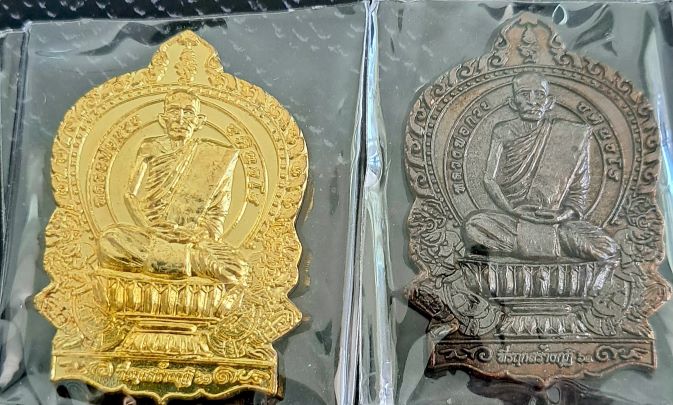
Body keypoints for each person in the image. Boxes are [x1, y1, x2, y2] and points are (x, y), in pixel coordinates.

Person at [98, 89, 248, 284]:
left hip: (191, 239)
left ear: (199, 121)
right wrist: (150, 228)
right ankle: (189, 262)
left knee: (236, 266)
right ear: (163, 119)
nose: (180, 119)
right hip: (150, 235)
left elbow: (217, 214)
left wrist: (197, 234)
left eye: (188, 112)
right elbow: (130, 195)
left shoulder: (217, 156)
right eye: (174, 111)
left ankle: (171, 260)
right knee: (110, 241)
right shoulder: (149, 147)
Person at [462, 72, 617, 261]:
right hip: (513, 219)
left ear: (549, 102)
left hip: (556, 223)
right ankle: (548, 247)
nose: (532, 101)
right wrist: (511, 209)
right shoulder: (503, 131)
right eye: (524, 94)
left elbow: (579, 192)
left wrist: (561, 216)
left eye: (539, 94)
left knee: (605, 247)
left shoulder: (572, 135)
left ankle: (526, 247)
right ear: (513, 103)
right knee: (473, 226)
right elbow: (489, 179)